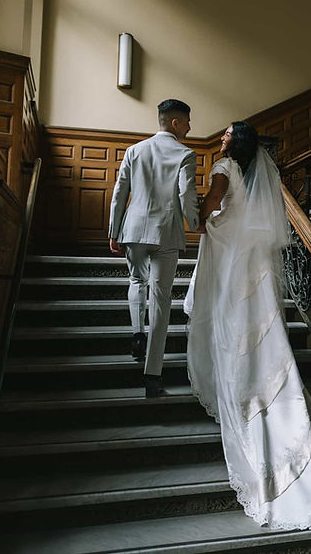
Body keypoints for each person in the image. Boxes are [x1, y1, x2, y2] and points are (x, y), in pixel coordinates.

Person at [183, 121, 311, 530]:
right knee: (258, 319)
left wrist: (195, 213)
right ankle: (266, 377)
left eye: (226, 134)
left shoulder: (224, 167)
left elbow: (212, 205)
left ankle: (245, 385)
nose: (221, 138)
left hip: (232, 250)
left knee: (233, 319)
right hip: (251, 253)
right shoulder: (254, 167)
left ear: (234, 142)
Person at [109, 99, 200, 398]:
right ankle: (152, 377)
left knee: (136, 280)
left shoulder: (134, 150)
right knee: (161, 301)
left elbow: (120, 192)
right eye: (187, 121)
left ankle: (138, 332)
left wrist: (114, 231)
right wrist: (196, 222)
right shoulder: (185, 154)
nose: (189, 126)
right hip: (166, 233)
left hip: (133, 229)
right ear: (175, 122)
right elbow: (186, 195)